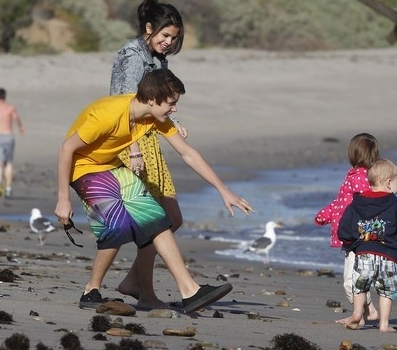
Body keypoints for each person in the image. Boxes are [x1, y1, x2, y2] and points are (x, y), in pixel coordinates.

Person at [55, 68, 254, 313]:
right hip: (83, 167)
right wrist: (63, 199)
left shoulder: (153, 117)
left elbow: (188, 153)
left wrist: (224, 190)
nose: (175, 109)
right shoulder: (107, 115)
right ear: (151, 99)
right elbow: (67, 149)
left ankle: (189, 291)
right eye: (171, 103)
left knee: (157, 218)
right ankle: (91, 289)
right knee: (116, 227)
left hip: (110, 164)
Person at [110, 0, 188, 309]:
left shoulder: (157, 58)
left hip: (149, 140)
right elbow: (123, 106)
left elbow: (158, 101)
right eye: (165, 36)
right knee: (154, 220)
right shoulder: (133, 55)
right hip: (132, 144)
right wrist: (132, 149)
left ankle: (133, 282)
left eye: (173, 38)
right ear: (149, 28)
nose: (168, 43)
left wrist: (175, 123)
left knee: (171, 217)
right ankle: (145, 293)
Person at [337, 158, 397, 333]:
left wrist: (350, 244)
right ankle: (384, 324)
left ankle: (358, 314)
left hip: (364, 253)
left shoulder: (356, 203)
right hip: (387, 256)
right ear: (389, 183)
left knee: (360, 287)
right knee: (386, 291)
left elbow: (344, 226)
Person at [315, 133, 380, 325]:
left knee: (351, 281)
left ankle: (364, 313)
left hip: (358, 237)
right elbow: (341, 203)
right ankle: (362, 313)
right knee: (353, 279)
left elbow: (368, 200)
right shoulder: (354, 175)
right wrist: (326, 215)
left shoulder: (361, 177)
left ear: (353, 154)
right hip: (352, 236)